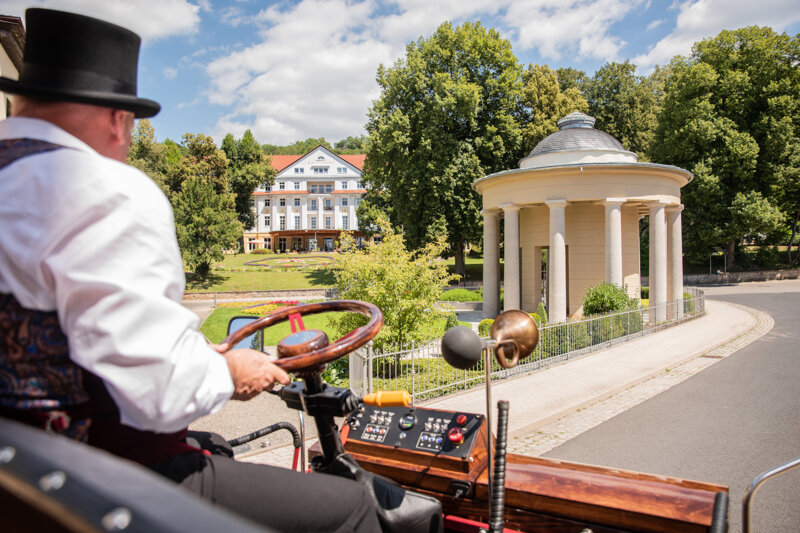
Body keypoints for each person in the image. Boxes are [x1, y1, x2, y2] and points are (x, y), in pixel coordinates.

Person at [0, 8, 380, 533]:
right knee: (353, 506)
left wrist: (197, 354)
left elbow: (75, 339)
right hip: (97, 475)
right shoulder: (105, 189)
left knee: (218, 447)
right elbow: (159, 396)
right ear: (117, 119)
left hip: (21, 466)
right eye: (131, 129)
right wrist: (230, 371)